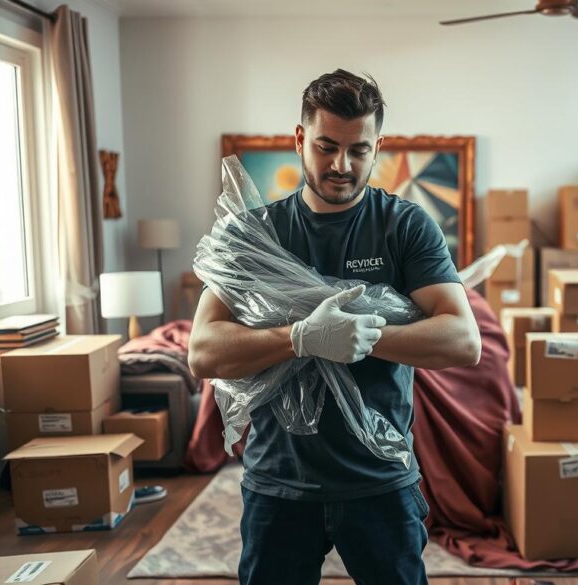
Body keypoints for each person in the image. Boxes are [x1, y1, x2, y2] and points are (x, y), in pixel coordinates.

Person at [188, 69, 482, 585]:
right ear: (300, 139)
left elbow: (462, 340)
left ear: (378, 147)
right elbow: (204, 352)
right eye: (326, 147)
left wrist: (363, 338)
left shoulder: (404, 225)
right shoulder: (255, 235)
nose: (341, 165)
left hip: (380, 479)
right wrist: (301, 338)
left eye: (358, 150)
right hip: (279, 481)